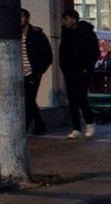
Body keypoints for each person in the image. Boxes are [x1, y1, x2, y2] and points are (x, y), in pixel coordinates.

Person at [58, 8, 100, 139]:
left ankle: (89, 122)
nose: (64, 22)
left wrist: (87, 68)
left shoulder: (87, 32)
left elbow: (94, 52)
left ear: (73, 19)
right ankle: (76, 128)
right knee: (72, 100)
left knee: (81, 97)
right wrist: (64, 67)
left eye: (66, 19)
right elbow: (63, 51)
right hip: (69, 71)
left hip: (83, 71)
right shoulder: (66, 33)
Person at [20, 8, 52, 135]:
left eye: (21, 16)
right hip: (18, 73)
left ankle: (25, 127)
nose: (19, 19)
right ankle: (40, 125)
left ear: (27, 18)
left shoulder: (37, 34)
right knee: (28, 100)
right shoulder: (13, 34)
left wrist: (38, 71)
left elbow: (47, 55)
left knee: (29, 99)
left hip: (32, 73)